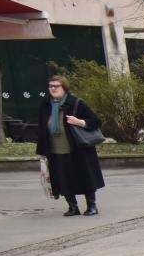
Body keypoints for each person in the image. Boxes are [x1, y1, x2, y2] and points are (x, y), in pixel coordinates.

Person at [37, 75, 105, 217]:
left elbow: (96, 121)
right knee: (62, 178)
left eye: (56, 86)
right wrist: (42, 150)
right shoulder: (45, 105)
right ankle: (72, 207)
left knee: (85, 176)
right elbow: (41, 128)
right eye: (51, 86)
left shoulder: (75, 103)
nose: (53, 89)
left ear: (64, 88)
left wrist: (79, 122)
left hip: (78, 148)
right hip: (55, 149)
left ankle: (92, 206)